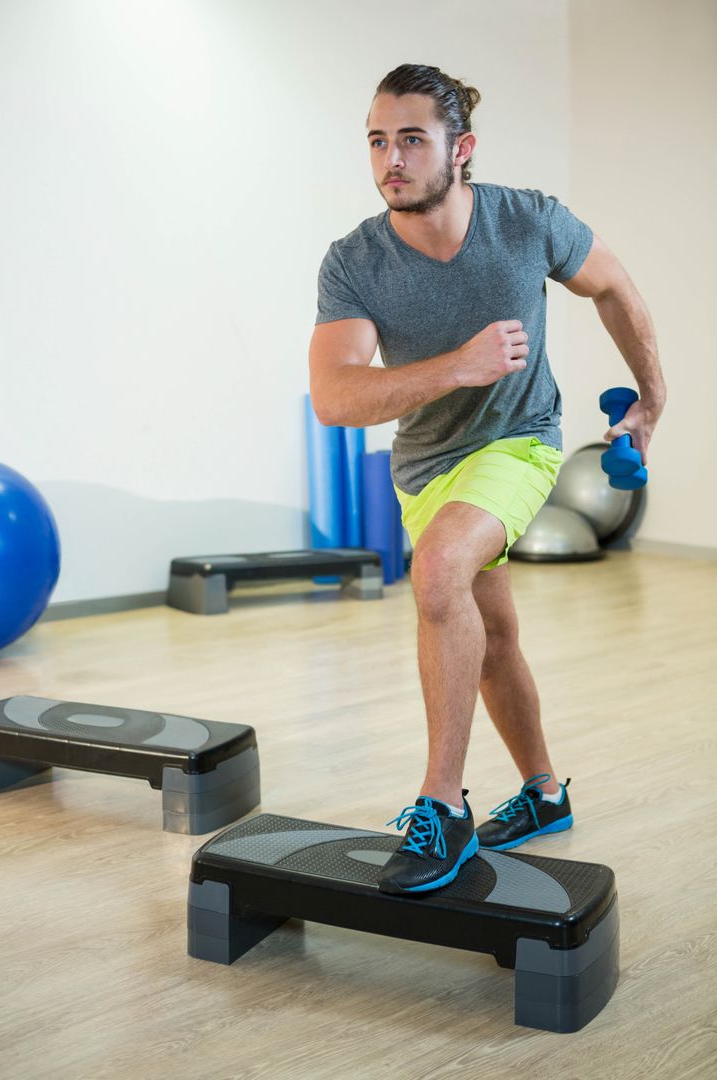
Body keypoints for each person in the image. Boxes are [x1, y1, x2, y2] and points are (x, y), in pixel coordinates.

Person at [308, 64, 666, 896]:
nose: (390, 158)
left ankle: (444, 807)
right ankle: (544, 791)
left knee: (437, 573)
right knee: (491, 637)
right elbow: (335, 396)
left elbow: (613, 285)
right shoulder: (355, 262)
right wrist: (456, 367)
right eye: (377, 140)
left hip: (521, 443)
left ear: (460, 149)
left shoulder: (528, 221)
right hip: (425, 467)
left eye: (411, 139)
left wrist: (652, 398)